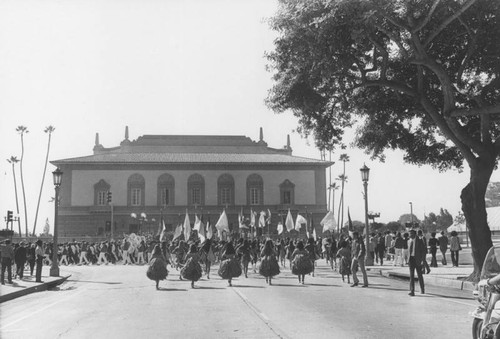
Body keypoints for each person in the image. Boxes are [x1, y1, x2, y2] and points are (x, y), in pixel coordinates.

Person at [408, 229, 426, 296]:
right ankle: (412, 291)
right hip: (411, 260)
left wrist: (422, 260)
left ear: (414, 234)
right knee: (411, 276)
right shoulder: (409, 241)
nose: (409, 235)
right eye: (409, 234)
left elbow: (423, 251)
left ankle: (422, 289)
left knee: (419, 275)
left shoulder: (420, 241)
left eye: (411, 234)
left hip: (418, 260)